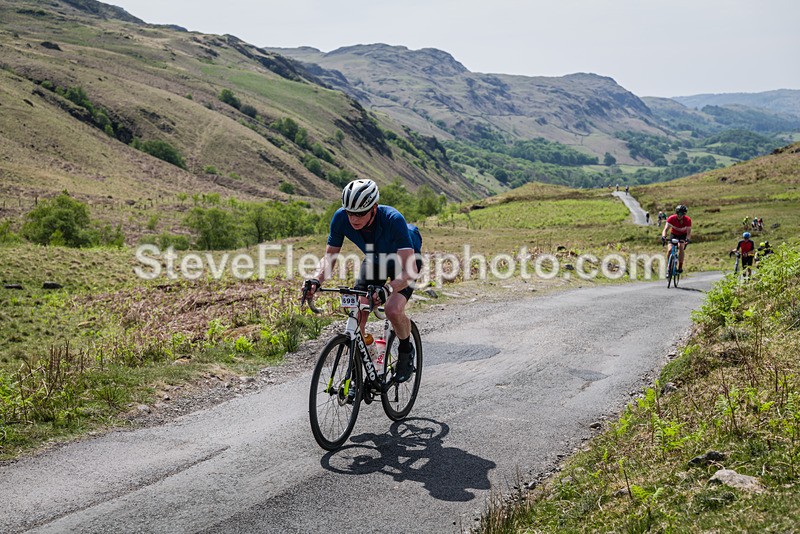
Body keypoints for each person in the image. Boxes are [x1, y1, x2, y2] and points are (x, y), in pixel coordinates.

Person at [303, 179, 422, 383]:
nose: (353, 219)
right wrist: (316, 279)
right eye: (350, 212)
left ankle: (405, 350)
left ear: (374, 208)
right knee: (358, 312)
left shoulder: (394, 219)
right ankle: (367, 362)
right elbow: (329, 259)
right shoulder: (341, 218)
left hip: (404, 264)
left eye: (360, 213)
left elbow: (410, 270)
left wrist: (387, 289)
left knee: (393, 309)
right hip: (375, 260)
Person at [661, 205, 692, 273]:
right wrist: (663, 237)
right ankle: (668, 267)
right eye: (678, 213)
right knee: (669, 250)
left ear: (684, 214)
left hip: (683, 235)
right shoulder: (671, 218)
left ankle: (680, 267)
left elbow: (689, 233)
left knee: (680, 246)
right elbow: (665, 230)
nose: (679, 215)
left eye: (681, 214)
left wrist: (687, 240)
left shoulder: (687, 220)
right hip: (674, 235)